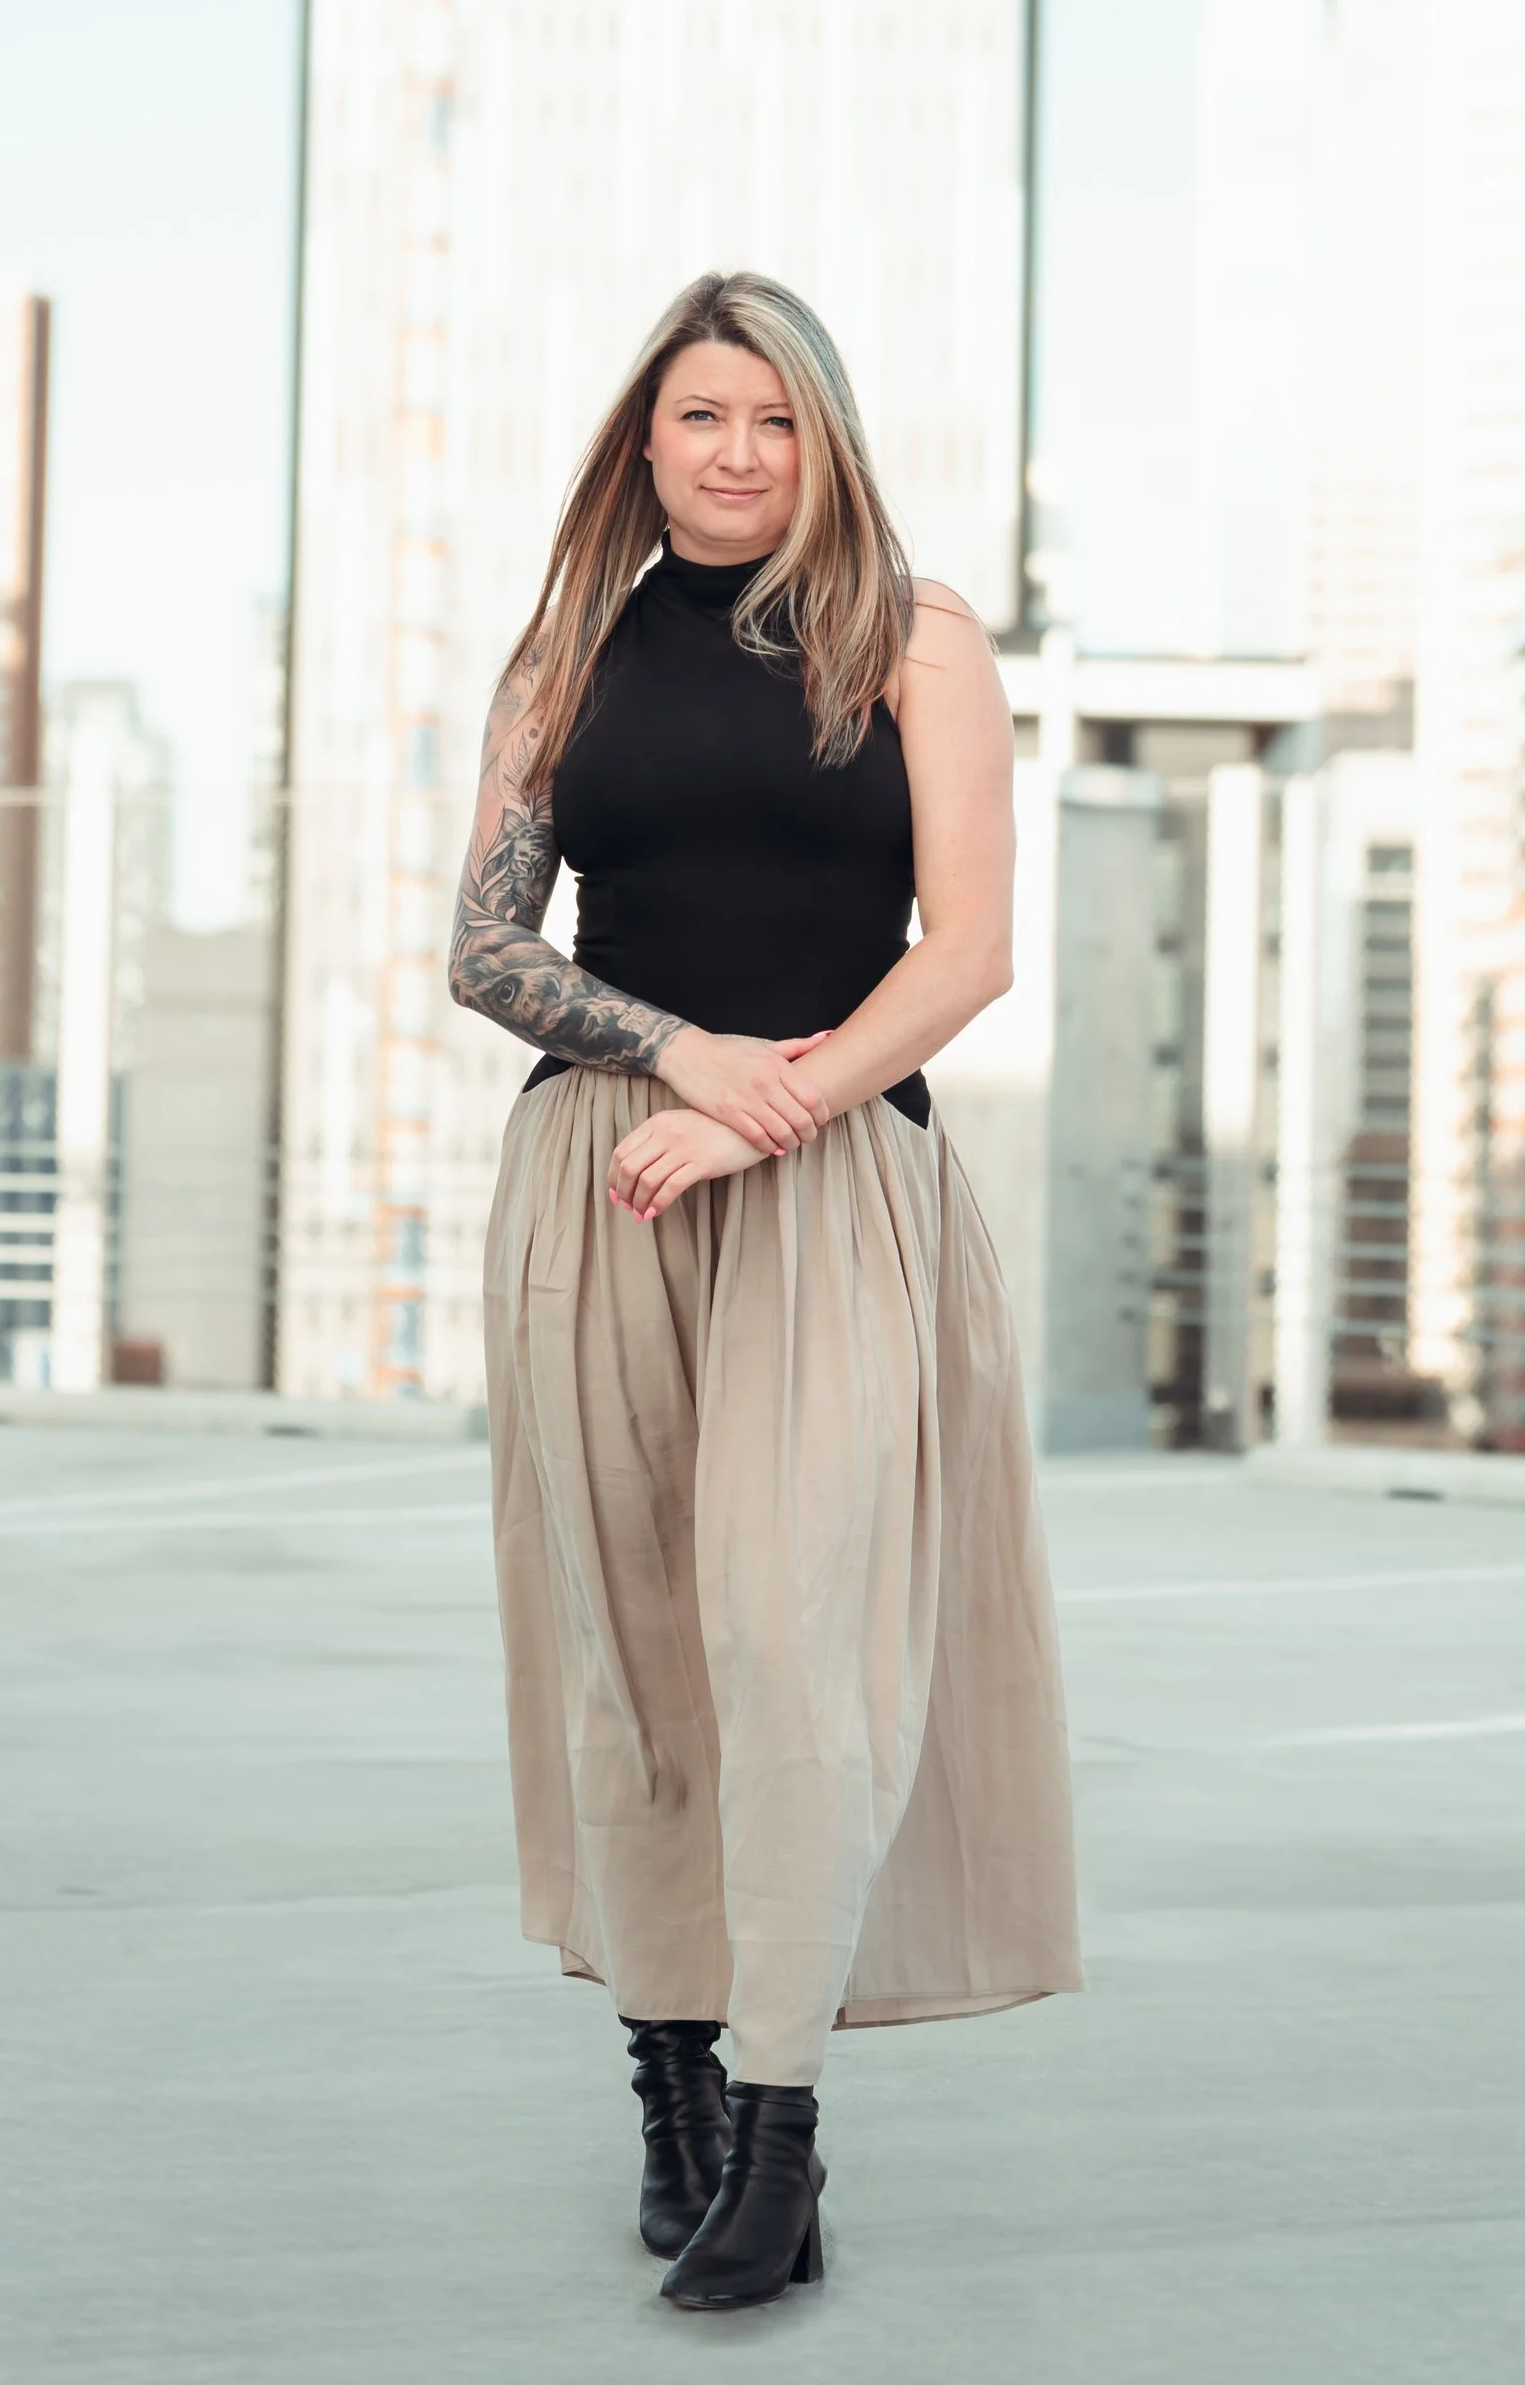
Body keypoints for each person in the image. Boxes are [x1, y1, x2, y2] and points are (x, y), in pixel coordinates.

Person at [448, 268, 1080, 2314]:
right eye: (699, 418)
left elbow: (962, 951)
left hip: (825, 1193)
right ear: (644, 437)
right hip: (596, 1181)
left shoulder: (913, 639)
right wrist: (670, 1064)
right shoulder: (564, 649)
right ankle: (669, 2093)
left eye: (772, 421)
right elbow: (486, 947)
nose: (733, 455)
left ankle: (781, 2124)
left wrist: (759, 1105)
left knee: (797, 1645)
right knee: (630, 1654)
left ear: (824, 442)